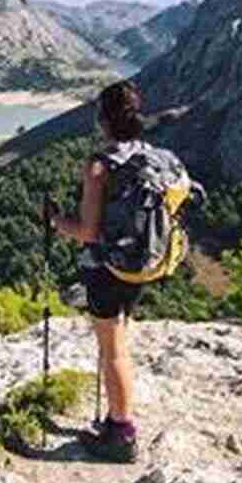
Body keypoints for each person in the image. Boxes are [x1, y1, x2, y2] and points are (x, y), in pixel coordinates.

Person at [40, 80, 149, 462]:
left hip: (107, 269)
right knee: (119, 343)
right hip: (139, 266)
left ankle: (121, 432)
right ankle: (116, 418)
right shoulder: (148, 156)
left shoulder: (99, 165)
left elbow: (86, 230)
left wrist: (56, 221)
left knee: (112, 348)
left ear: (103, 119)